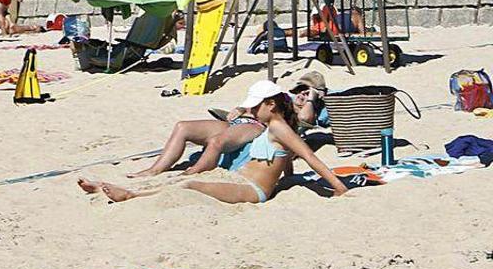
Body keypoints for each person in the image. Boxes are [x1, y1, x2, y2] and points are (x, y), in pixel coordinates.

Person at [80, 81, 348, 204]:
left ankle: (130, 196)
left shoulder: (279, 127)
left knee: (188, 184)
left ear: (271, 104)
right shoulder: (273, 127)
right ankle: (106, 188)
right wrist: (288, 179)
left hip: (253, 190)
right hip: (237, 179)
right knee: (176, 180)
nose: (251, 112)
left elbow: (311, 158)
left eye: (255, 108)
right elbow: (286, 160)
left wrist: (338, 189)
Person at [127, 81, 286, 178]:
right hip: (239, 121)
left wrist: (311, 97)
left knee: (217, 141)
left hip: (256, 126)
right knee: (183, 127)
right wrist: (241, 109)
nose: (300, 96)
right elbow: (253, 106)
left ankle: (195, 171)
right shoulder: (272, 99)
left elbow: (302, 120)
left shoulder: (289, 105)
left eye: (304, 93)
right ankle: (155, 170)